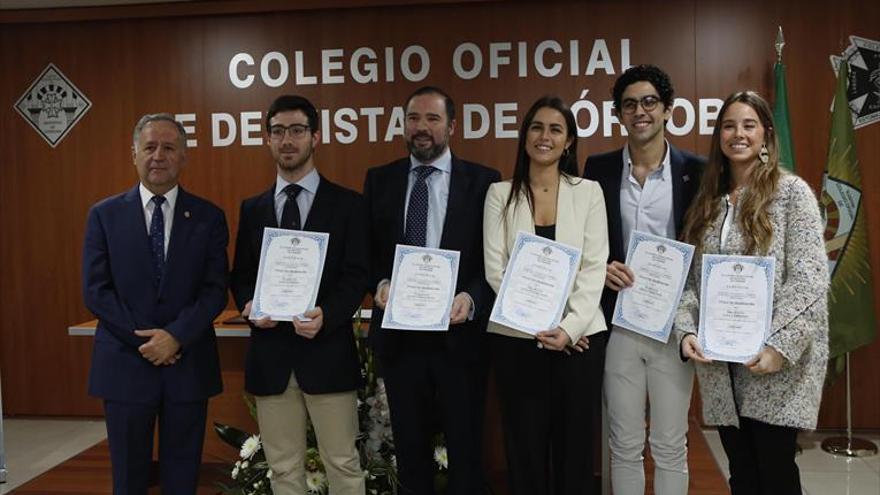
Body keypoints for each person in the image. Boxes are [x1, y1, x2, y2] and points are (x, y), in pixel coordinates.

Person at [675, 91, 829, 495]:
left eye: (748, 125)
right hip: (720, 364)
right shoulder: (707, 203)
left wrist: (779, 345)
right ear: (719, 135)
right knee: (742, 474)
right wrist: (687, 331)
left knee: (775, 475)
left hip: (772, 366)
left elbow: (810, 279)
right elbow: (692, 283)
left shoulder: (792, 194)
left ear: (766, 134)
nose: (738, 134)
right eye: (729, 125)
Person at [364, 86, 500, 494]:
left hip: (460, 342)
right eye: (413, 119)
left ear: (452, 126)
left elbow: (493, 260)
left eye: (432, 119)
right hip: (401, 342)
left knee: (466, 452)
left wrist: (472, 298)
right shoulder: (380, 180)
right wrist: (381, 283)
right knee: (409, 452)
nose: (421, 128)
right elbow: (366, 252)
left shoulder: (484, 183)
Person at [230, 95, 369, 495]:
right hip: (271, 356)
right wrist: (251, 305)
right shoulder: (253, 208)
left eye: (296, 130)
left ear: (315, 137)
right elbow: (241, 275)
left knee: (343, 463)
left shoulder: (348, 205)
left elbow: (356, 274)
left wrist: (329, 313)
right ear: (267, 140)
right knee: (283, 469)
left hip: (327, 352)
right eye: (277, 132)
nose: (287, 140)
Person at [82, 113, 228, 494]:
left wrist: (175, 336)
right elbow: (96, 290)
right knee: (128, 479)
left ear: (184, 157)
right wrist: (148, 341)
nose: (158, 156)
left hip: (187, 365)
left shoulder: (209, 217)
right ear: (134, 154)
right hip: (125, 366)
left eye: (168, 148)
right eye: (149, 147)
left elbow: (215, 290)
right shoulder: (103, 215)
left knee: (182, 478)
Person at [583, 65, 704, 494]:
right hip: (619, 322)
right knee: (623, 443)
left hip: (672, 325)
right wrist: (602, 270)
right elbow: (586, 241)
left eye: (649, 102)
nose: (640, 111)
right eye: (630, 104)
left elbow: (707, 248)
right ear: (619, 114)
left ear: (668, 109)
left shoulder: (698, 170)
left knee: (670, 443)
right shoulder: (597, 169)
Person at [483, 96, 608, 495]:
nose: (545, 136)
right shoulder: (499, 194)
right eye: (537, 127)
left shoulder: (589, 192)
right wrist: (538, 324)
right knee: (525, 451)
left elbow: (594, 267)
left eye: (556, 129)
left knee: (575, 453)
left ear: (569, 141)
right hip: (517, 341)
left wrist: (569, 328)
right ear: (524, 137)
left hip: (579, 341)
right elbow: (494, 270)